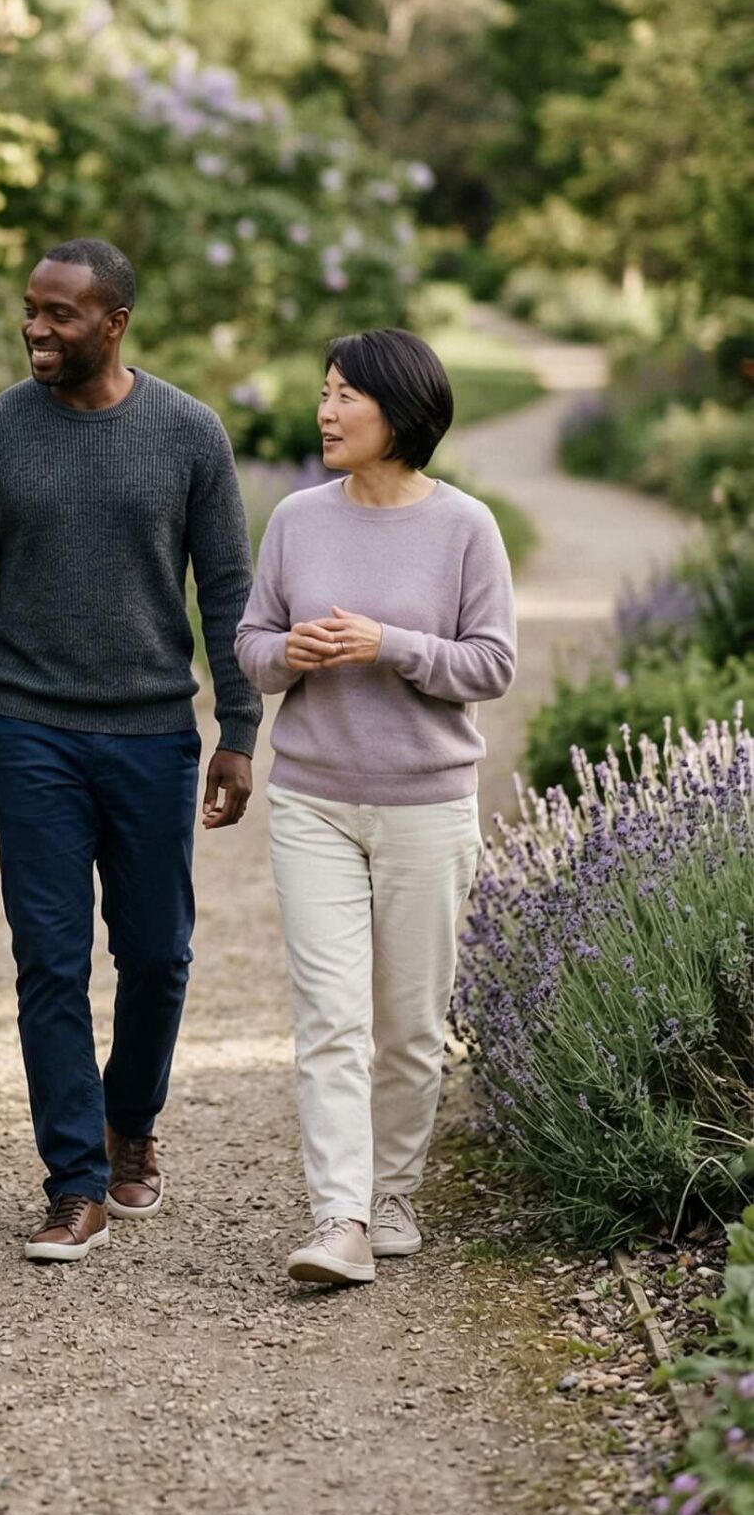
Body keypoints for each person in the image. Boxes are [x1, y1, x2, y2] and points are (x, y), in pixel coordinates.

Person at [0, 238, 261, 1263]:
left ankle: (131, 1121)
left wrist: (239, 730)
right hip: (30, 732)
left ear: (113, 321)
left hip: (155, 732)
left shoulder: (187, 432)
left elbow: (228, 593)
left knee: (158, 957)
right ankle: (72, 1179)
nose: (37, 326)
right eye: (31, 308)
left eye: (60, 313)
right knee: (49, 962)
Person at [234, 326, 516, 1288]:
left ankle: (393, 1194)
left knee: (406, 1025)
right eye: (323, 391)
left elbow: (492, 664)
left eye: (344, 394)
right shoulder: (296, 520)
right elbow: (249, 644)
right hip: (312, 799)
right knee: (328, 1019)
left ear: (400, 411)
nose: (324, 410)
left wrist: (387, 643)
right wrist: (290, 656)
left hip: (426, 808)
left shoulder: (465, 527)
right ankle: (340, 1217)